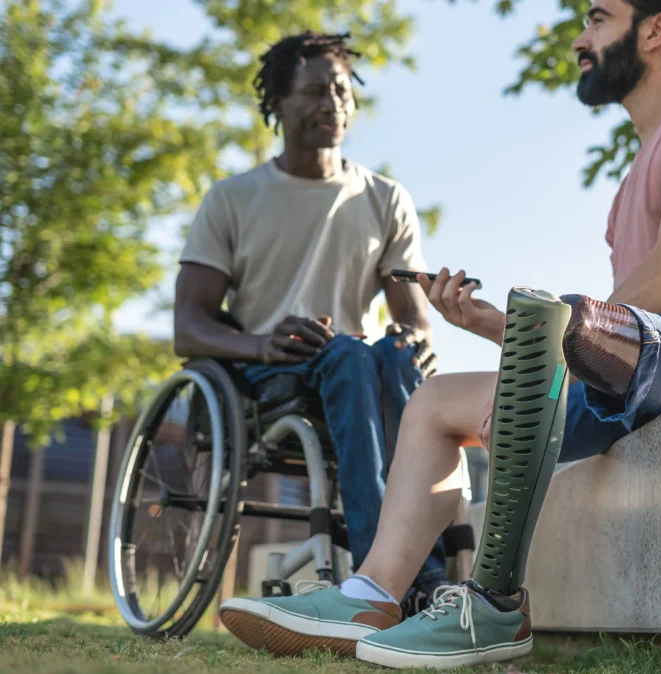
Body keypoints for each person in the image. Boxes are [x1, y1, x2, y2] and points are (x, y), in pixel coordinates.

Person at [218, 0, 661, 668]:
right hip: (648, 359)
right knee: (434, 404)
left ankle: (491, 604)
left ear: (655, 28)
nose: (581, 40)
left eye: (598, 19)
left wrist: (548, 335)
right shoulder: (635, 177)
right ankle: (369, 595)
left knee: (565, 315)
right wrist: (505, 331)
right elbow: (620, 330)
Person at [173, 31, 452, 622]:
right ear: (276, 102)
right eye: (316, 91)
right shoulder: (232, 199)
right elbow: (189, 325)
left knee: (393, 359)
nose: (333, 104)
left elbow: (415, 322)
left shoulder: (385, 199)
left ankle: (414, 576)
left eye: (343, 92)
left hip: (361, 370)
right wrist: (259, 342)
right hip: (267, 370)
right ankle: (403, 580)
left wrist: (415, 342)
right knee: (353, 356)